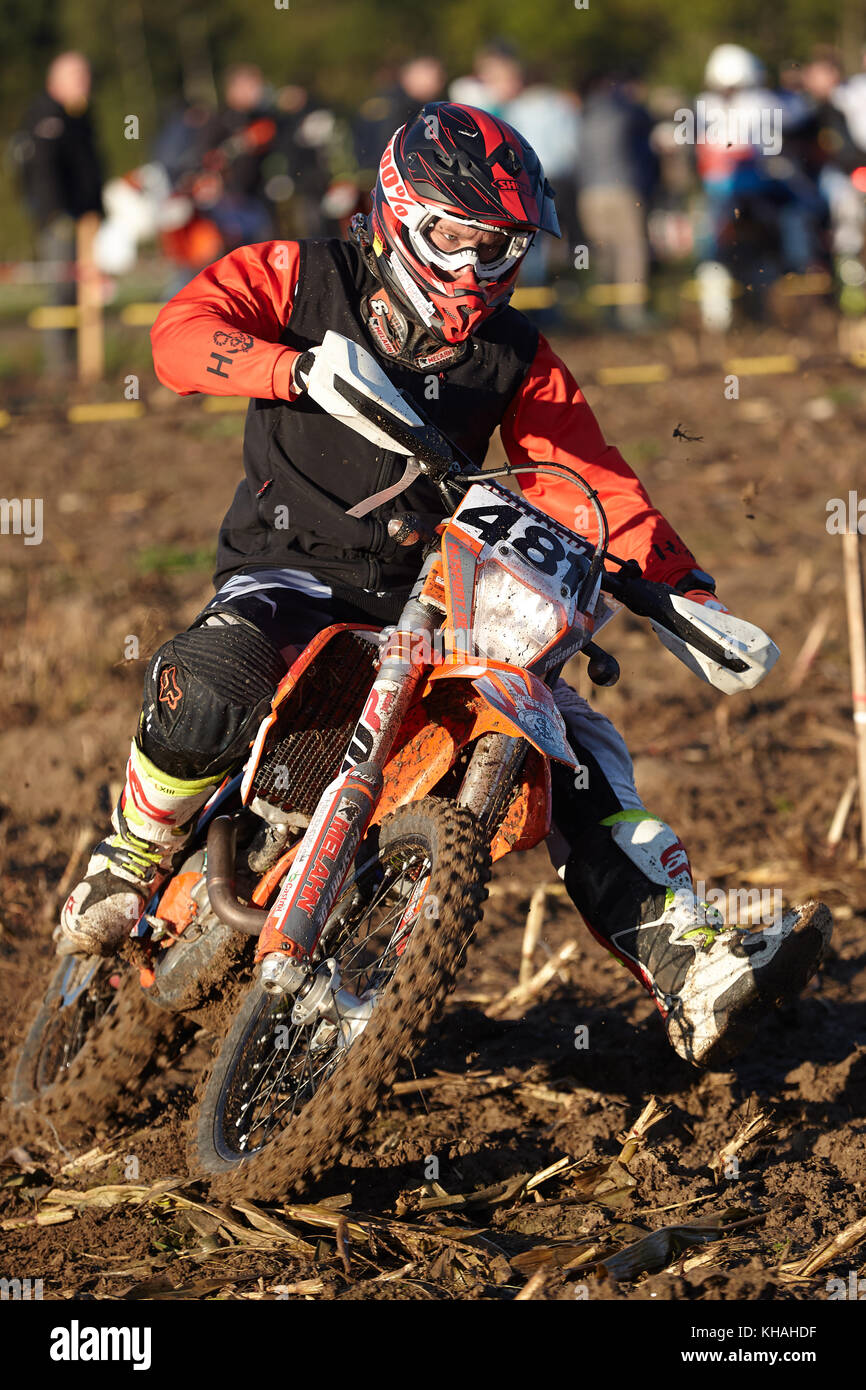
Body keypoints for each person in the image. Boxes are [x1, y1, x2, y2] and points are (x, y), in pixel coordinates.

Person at [57, 102, 830, 1069]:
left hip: (437, 594)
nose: (474, 270)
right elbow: (182, 333)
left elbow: (588, 483)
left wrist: (678, 594)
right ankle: (129, 854)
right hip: (291, 567)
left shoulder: (514, 353)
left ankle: (684, 955)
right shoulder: (306, 277)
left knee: (575, 748)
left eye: (499, 248)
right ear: (397, 211)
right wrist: (292, 371)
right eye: (454, 238)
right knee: (217, 674)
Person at [13, 51, 103, 371]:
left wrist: (97, 208)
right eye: (78, 77)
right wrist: (56, 215)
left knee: (86, 292)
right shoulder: (45, 115)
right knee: (62, 290)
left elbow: (89, 167)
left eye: (86, 76)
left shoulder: (78, 115)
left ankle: (86, 364)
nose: (85, 83)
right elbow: (41, 172)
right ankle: (61, 370)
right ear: (57, 80)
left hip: (85, 220)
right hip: (61, 222)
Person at [576, 71, 658, 330]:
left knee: (602, 253)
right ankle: (632, 312)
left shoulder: (584, 115)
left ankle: (606, 312)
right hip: (623, 190)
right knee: (631, 251)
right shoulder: (626, 111)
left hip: (589, 194)